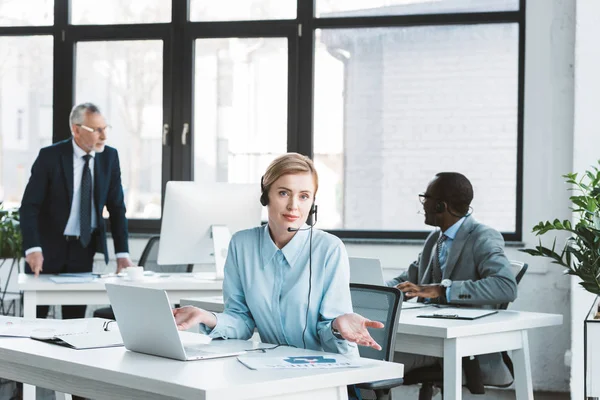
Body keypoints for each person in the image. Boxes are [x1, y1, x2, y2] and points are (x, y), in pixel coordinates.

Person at [173, 153, 383, 356]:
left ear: (313, 204)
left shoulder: (328, 249)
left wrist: (337, 326)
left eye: (304, 196)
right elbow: (241, 322)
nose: (294, 206)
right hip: (273, 366)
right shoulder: (242, 245)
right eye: (284, 193)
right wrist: (205, 317)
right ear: (266, 197)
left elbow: (327, 335)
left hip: (324, 369)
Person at [387, 172, 517, 386]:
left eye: (425, 198)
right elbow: (408, 279)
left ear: (441, 206)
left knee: (373, 364)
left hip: (455, 346)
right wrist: (373, 289)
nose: (423, 204)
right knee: (367, 356)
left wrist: (442, 290)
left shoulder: (482, 237)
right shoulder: (435, 238)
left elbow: (505, 286)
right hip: (426, 337)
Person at [19, 102, 134, 321]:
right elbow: (29, 207)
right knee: (35, 319)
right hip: (46, 250)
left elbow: (117, 208)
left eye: (105, 128)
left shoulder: (109, 157)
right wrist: (32, 248)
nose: (103, 136)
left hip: (83, 247)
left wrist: (123, 255)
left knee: (75, 322)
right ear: (76, 129)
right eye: (97, 130)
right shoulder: (50, 156)